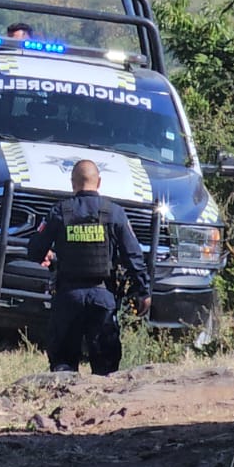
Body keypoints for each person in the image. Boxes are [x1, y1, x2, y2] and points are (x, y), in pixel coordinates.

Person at [26, 159, 151, 375]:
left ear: (72, 183)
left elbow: (34, 249)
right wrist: (143, 291)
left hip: (68, 297)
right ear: (98, 182)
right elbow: (133, 256)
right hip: (102, 297)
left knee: (63, 367)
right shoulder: (114, 213)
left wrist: (49, 254)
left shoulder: (60, 211)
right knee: (106, 370)